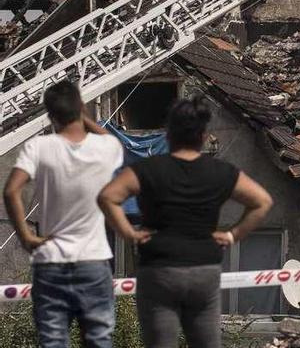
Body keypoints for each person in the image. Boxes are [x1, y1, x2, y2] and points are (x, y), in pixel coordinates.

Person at [98, 95, 273, 348]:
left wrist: (128, 233)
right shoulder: (220, 172)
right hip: (203, 269)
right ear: (203, 136)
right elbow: (262, 202)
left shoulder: (148, 169)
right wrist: (233, 235)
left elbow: (107, 197)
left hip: (159, 270)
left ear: (168, 134)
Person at [3, 80, 123, 348]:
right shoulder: (107, 149)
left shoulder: (40, 148)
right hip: (93, 261)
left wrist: (25, 236)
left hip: (51, 262)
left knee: (54, 340)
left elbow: (11, 191)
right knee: (98, 340)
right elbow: (107, 138)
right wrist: (81, 114)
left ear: (50, 115)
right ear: (80, 108)